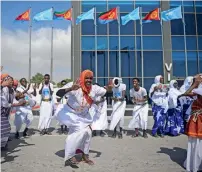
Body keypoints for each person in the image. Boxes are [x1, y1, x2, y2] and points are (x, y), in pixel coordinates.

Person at [55, 70, 107, 167]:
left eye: (91, 78)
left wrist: (110, 88)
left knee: (88, 132)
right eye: (86, 78)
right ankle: (69, 158)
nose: (89, 80)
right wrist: (70, 88)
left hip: (83, 115)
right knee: (78, 130)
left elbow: (106, 92)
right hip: (68, 113)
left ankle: (84, 154)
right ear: (82, 77)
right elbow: (58, 93)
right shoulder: (75, 85)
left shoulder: (94, 88)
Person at [182, 74, 202, 172]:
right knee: (195, 142)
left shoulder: (199, 91)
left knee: (198, 143)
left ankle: (196, 165)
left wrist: (195, 84)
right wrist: (195, 84)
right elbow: (186, 93)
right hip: (196, 119)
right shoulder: (197, 92)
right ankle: (194, 164)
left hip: (199, 120)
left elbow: (187, 93)